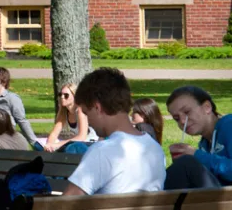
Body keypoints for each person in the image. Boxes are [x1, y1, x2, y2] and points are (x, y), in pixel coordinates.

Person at [62, 68, 166, 196]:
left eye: (86, 113)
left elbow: (65, 206)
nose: (88, 121)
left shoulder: (102, 151)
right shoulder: (155, 149)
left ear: (97, 107)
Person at [164, 86, 232, 189]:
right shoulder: (204, 143)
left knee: (187, 164)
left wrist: (196, 156)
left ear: (207, 107)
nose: (182, 121)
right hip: (223, 201)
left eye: (187, 112)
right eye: (176, 118)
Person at [43, 83, 99, 153]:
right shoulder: (63, 112)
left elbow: (82, 137)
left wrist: (58, 144)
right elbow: (54, 134)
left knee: (69, 149)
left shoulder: (80, 111)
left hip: (90, 144)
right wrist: (49, 145)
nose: (62, 97)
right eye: (60, 94)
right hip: (77, 143)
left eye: (66, 95)